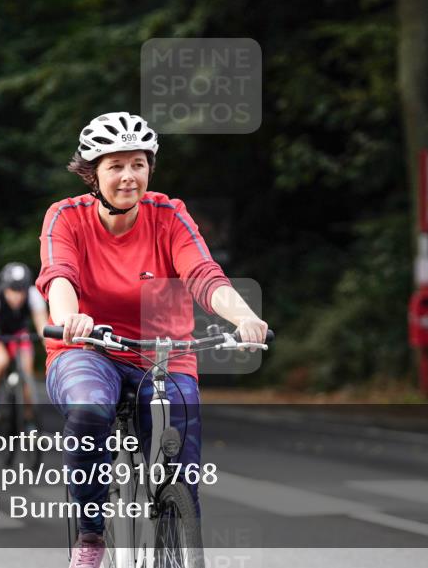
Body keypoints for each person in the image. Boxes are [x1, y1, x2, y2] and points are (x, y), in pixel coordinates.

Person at [36, 112, 269, 568]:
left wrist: (244, 316)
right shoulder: (66, 217)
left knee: (181, 455)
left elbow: (203, 275)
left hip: (163, 355)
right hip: (89, 348)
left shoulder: (169, 214)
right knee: (89, 410)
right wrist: (70, 319)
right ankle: (91, 536)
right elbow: (57, 275)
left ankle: (179, 535)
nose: (129, 176)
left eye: (138, 163)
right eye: (116, 165)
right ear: (92, 173)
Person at [0, 262, 48, 424]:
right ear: (4, 287)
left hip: (20, 335)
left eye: (21, 291)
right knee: (0, 361)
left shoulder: (33, 295)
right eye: (12, 291)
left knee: (27, 371)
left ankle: (29, 422)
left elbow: (43, 327)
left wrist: (50, 347)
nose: (17, 296)